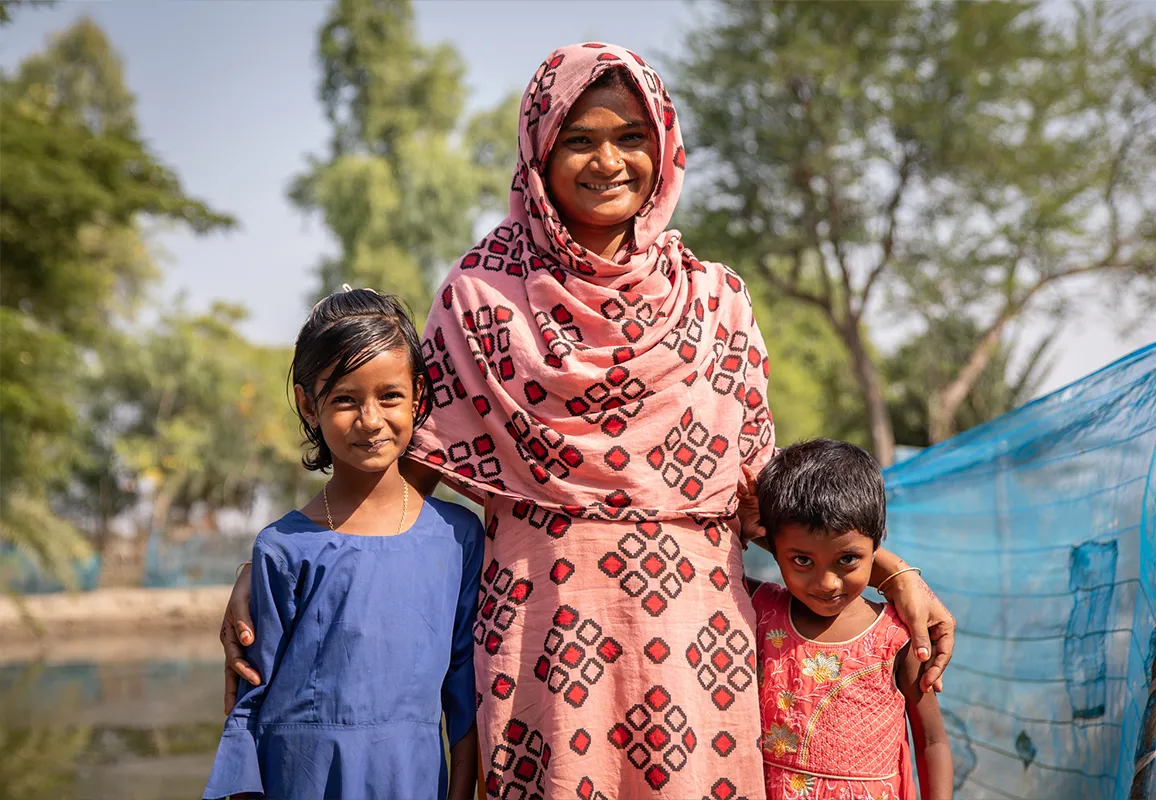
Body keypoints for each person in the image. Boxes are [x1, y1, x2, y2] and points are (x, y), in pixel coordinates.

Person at [218, 45, 955, 798]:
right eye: (579, 140)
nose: (609, 161)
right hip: (542, 643)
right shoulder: (480, 301)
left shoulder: (715, 304)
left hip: (695, 656)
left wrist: (896, 576)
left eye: (631, 137)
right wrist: (269, 565)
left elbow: (773, 508)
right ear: (540, 153)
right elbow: (398, 484)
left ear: (663, 147)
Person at [203, 287, 483, 800]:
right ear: (310, 405)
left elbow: (464, 697)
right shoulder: (283, 548)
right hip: (300, 780)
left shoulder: (458, 537)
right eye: (345, 399)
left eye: (390, 396)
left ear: (419, 394)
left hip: (412, 777)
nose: (370, 420)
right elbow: (249, 703)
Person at [750, 440, 952, 800]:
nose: (827, 583)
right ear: (773, 548)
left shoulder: (897, 636)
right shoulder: (759, 611)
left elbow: (932, 740)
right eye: (801, 561)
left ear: (879, 544)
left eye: (847, 560)